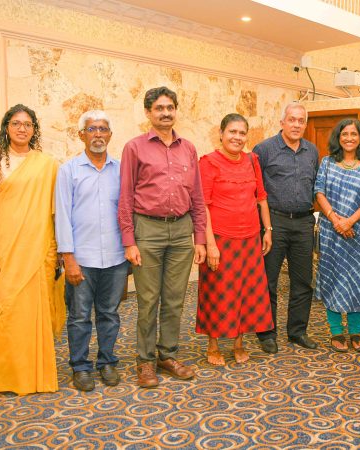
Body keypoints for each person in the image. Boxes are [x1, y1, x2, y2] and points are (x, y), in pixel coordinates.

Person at [118, 86, 207, 388]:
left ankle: (167, 355)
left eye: (170, 107)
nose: (165, 113)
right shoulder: (134, 148)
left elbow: (197, 196)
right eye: (159, 108)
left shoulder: (188, 149)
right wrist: (129, 241)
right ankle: (144, 361)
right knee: (147, 300)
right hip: (148, 231)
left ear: (175, 111)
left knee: (174, 299)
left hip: (181, 231)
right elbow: (125, 197)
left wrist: (200, 237)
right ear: (148, 112)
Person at [0, 104, 64, 394]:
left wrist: (59, 250)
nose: (22, 128)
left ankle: (37, 376)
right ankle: (7, 377)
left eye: (28, 124)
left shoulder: (47, 165)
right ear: (6, 127)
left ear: (34, 130)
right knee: (7, 310)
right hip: (7, 248)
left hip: (38, 248)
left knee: (34, 313)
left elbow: (56, 211)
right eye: (16, 123)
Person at [55, 110, 128, 391]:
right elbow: (62, 216)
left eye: (103, 129)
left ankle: (107, 362)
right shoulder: (69, 170)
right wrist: (68, 258)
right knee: (79, 316)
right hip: (82, 258)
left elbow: (127, 212)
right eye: (92, 129)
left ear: (110, 135)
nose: (98, 134)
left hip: (115, 257)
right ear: (81, 135)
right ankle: (81, 367)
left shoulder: (121, 170)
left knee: (109, 314)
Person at [196, 113, 275, 366]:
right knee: (217, 292)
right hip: (220, 239)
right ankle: (213, 345)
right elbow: (202, 206)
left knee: (245, 292)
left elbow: (261, 197)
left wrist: (267, 230)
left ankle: (238, 343)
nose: (237, 137)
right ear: (221, 134)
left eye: (242, 133)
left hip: (250, 239)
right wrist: (210, 244)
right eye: (232, 132)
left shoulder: (252, 161)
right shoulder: (208, 162)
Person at [253, 103, 319, 353]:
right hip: (274, 222)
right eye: (292, 119)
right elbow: (255, 190)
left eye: (301, 121)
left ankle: (297, 331)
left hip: (303, 222)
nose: (296, 125)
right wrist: (263, 227)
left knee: (303, 281)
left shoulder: (312, 151)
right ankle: (267, 333)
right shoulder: (264, 149)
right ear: (282, 122)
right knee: (268, 281)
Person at [315, 119, 360, 352]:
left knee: (358, 280)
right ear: (338, 137)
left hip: (359, 234)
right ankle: (336, 332)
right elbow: (318, 191)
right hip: (332, 232)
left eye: (354, 134)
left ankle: (356, 332)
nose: (349, 138)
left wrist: (349, 221)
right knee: (333, 278)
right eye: (345, 134)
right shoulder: (327, 163)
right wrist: (336, 221)